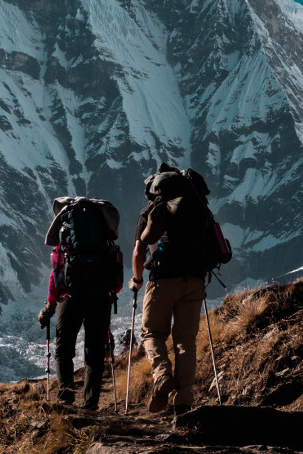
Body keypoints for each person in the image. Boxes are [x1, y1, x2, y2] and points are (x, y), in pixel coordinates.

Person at [128, 163, 209, 416]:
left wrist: (137, 280)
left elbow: (139, 251)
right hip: (195, 280)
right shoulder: (198, 208)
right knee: (186, 340)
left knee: (152, 333)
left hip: (162, 279)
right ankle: (183, 402)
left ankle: (162, 375)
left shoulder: (151, 211)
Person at [38, 197, 120, 409]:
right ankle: (90, 402)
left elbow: (56, 275)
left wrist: (50, 306)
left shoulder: (67, 242)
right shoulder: (104, 241)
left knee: (64, 349)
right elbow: (115, 271)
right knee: (94, 352)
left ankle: (66, 397)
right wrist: (109, 293)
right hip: (101, 297)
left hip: (70, 297)